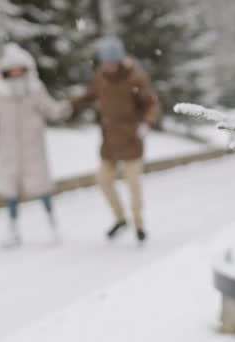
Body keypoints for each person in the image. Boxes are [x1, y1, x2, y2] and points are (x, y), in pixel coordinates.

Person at [0, 43, 72, 248]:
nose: (17, 74)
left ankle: (53, 224)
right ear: (5, 72)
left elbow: (51, 109)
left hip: (33, 149)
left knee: (42, 188)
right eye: (13, 70)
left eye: (20, 69)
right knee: (10, 192)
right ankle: (13, 230)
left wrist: (64, 108)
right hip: (10, 151)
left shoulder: (35, 91)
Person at [70, 36, 160, 243]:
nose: (108, 66)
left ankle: (139, 226)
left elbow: (151, 103)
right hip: (109, 141)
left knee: (133, 185)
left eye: (112, 62)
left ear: (119, 60)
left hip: (131, 139)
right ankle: (120, 219)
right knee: (103, 181)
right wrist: (69, 104)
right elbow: (89, 96)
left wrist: (147, 123)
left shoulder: (135, 78)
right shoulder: (100, 77)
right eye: (105, 62)